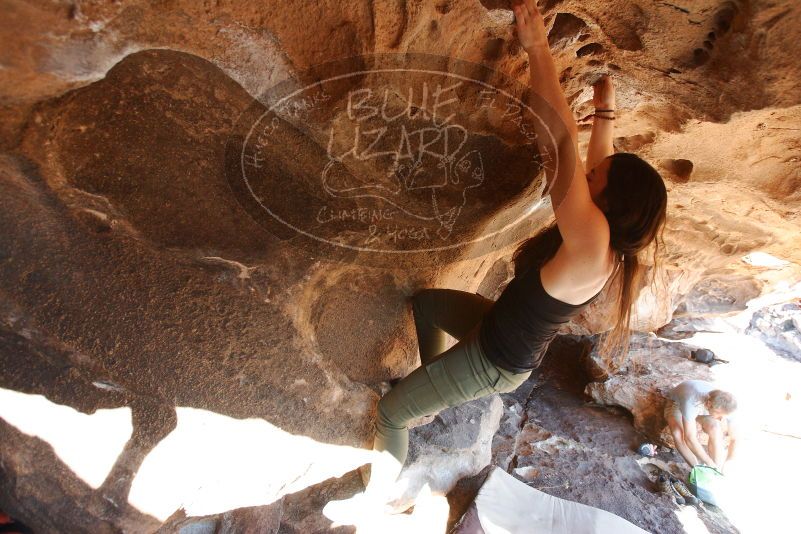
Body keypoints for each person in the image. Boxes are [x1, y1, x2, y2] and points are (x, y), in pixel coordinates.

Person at [324, 0, 668, 522]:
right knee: (428, 305)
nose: (589, 173)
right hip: (494, 329)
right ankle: (436, 384)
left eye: (598, 177)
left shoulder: (592, 240)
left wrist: (536, 47)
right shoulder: (607, 235)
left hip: (495, 360)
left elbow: (558, 144)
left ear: (610, 199)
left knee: (393, 413)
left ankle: (373, 506)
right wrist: (605, 107)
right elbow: (598, 158)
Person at [664, 379, 740, 473]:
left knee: (715, 428)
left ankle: (716, 471)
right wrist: (708, 462)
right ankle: (698, 470)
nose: (721, 419)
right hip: (678, 404)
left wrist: (728, 462)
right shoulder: (691, 401)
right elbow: (690, 438)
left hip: (705, 409)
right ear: (709, 404)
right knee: (677, 434)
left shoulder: (729, 407)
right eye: (719, 415)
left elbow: (735, 439)